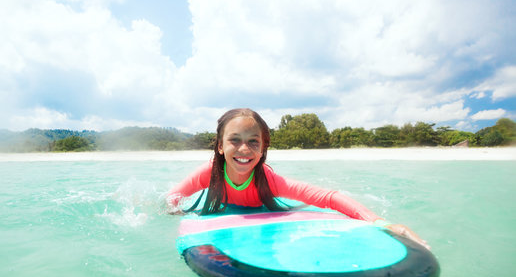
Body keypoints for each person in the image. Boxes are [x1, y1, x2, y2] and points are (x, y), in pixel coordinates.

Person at [167, 108, 430, 249]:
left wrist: (382, 223)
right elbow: (173, 197)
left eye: (253, 142)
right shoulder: (210, 173)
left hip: (261, 216)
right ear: (221, 147)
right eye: (235, 141)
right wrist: (174, 213)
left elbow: (329, 197)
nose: (244, 149)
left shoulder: (269, 182)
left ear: (263, 148)